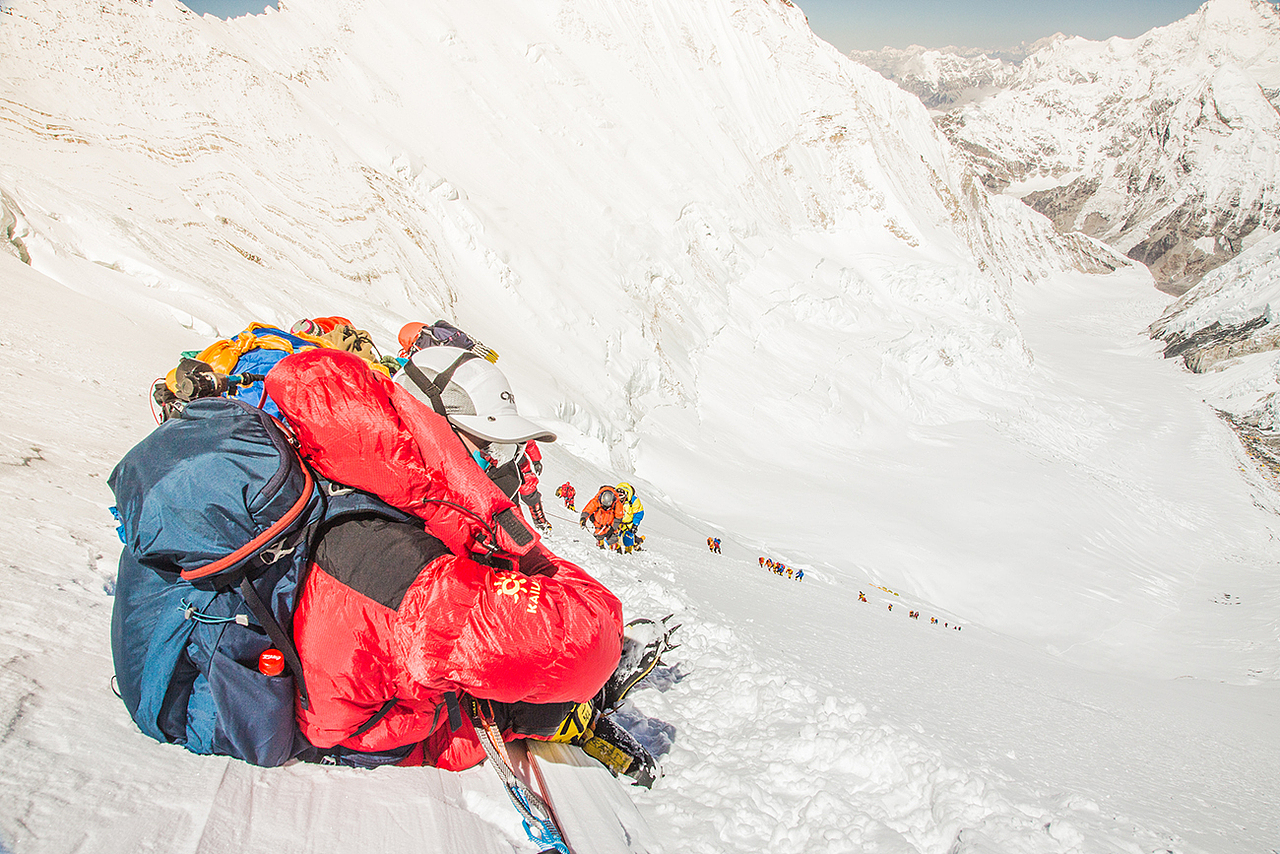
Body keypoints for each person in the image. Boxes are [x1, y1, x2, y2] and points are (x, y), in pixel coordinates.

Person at [264, 346, 630, 773]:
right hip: (361, 738)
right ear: (437, 430)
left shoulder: (365, 477)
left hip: (380, 699)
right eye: (488, 447)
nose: (498, 467)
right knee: (554, 691)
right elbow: (586, 640)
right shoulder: (396, 558)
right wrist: (524, 555)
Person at [580, 485, 625, 550]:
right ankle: (600, 551)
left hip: (610, 525)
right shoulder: (596, 500)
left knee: (613, 540)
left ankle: (616, 552)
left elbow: (619, 517)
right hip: (599, 523)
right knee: (599, 537)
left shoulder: (617, 503)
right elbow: (588, 510)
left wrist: (613, 528)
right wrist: (583, 518)